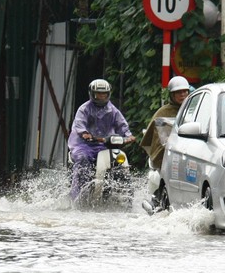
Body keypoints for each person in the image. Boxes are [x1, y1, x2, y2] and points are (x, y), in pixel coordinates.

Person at [68, 78, 135, 201]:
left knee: (118, 160)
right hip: (83, 145)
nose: (102, 96)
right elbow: (79, 125)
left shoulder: (113, 110)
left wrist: (128, 136)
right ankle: (80, 195)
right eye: (99, 93)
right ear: (92, 94)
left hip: (104, 145)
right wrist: (85, 134)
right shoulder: (84, 109)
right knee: (83, 160)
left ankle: (125, 193)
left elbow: (122, 126)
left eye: (104, 93)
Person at [139, 76, 190, 211]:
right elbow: (156, 138)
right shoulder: (163, 112)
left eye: (185, 91)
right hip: (170, 153)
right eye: (179, 92)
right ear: (172, 95)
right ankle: (158, 200)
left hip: (190, 152)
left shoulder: (193, 109)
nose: (183, 95)